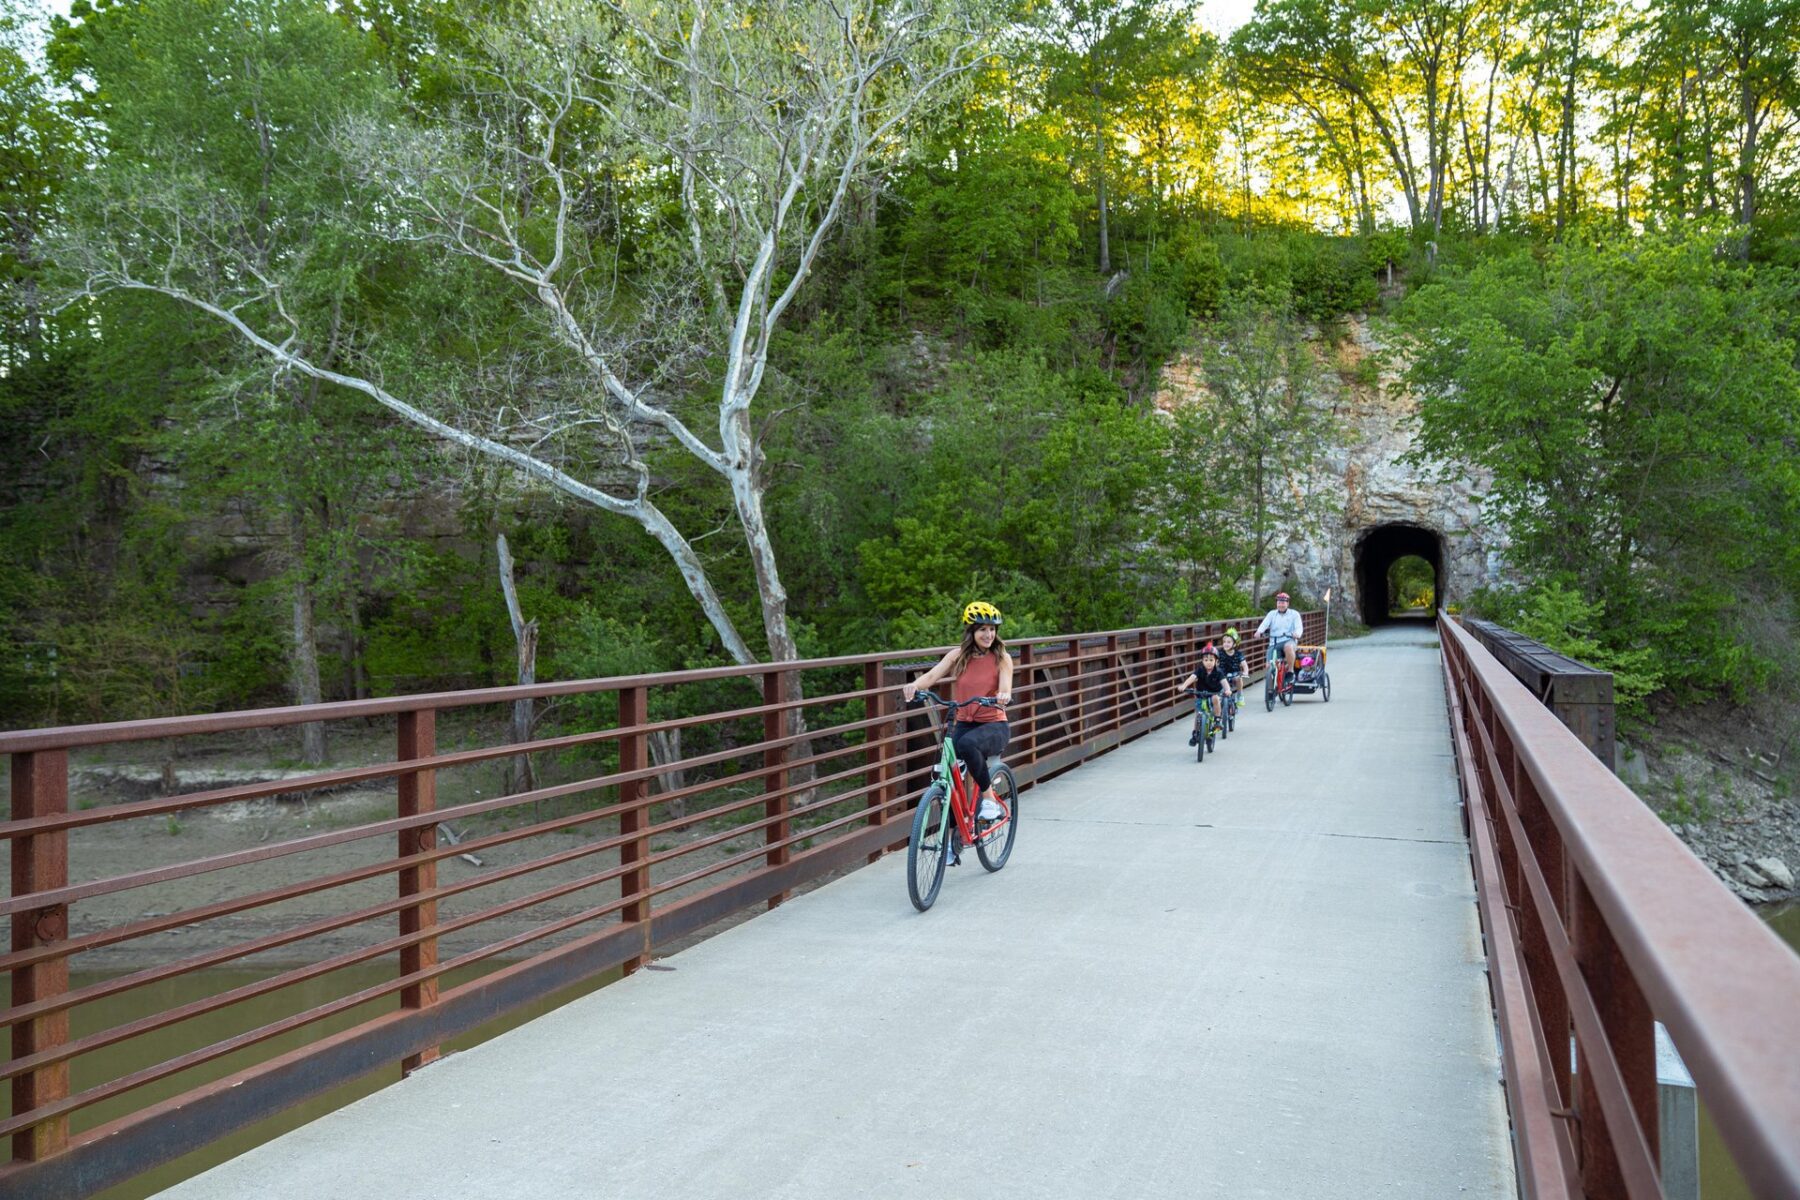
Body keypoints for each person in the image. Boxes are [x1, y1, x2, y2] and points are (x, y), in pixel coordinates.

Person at [902, 601, 1013, 821]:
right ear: (971, 631)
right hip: (963, 723)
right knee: (947, 777)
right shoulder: (958, 655)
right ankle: (955, 843)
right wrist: (915, 686)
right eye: (982, 629)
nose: (988, 634)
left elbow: (1005, 687)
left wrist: (1003, 695)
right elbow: (932, 676)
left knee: (966, 745)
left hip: (993, 725)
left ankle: (990, 800)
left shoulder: (1002, 658)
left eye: (992, 629)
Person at [1176, 644, 1232, 744]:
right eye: (1206, 660)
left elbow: (1224, 682)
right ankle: (1196, 733)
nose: (1208, 663)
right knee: (1198, 715)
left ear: (1216, 661)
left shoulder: (1219, 672)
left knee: (1215, 698)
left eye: (1211, 660)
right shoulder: (1200, 670)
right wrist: (1184, 686)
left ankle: (1217, 721)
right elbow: (1192, 677)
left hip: (1213, 694)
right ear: (1202, 661)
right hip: (1201, 695)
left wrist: (1227, 690)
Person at [1255, 592, 1304, 680]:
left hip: (1289, 640)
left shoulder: (1294, 614)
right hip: (1274, 642)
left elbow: (1299, 627)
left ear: (1287, 603)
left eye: (1283, 602)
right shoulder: (1272, 614)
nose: (1281, 605)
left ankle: (1290, 670)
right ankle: (1272, 687)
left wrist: (1297, 634)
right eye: (1279, 602)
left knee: (1288, 647)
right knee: (1269, 666)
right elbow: (1264, 624)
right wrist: (1259, 632)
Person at [1217, 629, 1248, 699]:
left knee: (1239, 679)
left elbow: (1244, 665)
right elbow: (1215, 664)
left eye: (1228, 642)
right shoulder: (1219, 653)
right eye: (1224, 642)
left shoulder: (1238, 654)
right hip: (1222, 674)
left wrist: (1245, 672)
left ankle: (1240, 694)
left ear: (1234, 644)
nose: (1225, 644)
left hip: (1234, 674)